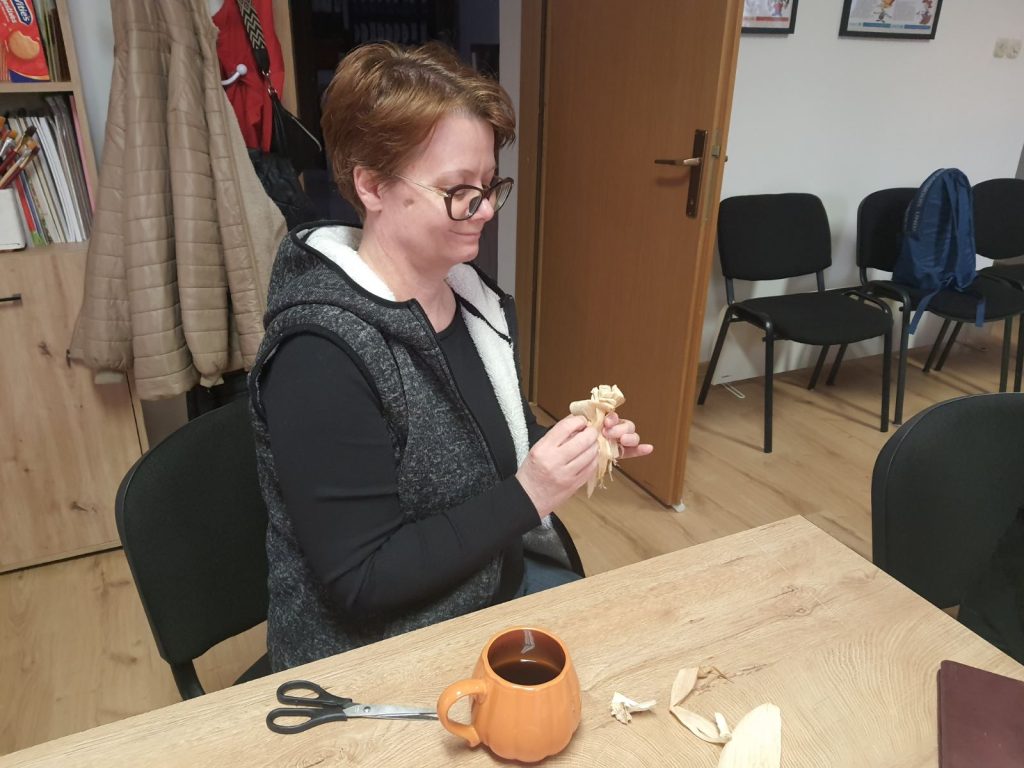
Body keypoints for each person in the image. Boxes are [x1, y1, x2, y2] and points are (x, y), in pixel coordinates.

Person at [248, 41, 653, 672]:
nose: (485, 209)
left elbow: (485, 443)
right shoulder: (319, 357)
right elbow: (362, 580)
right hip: (382, 649)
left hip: (489, 590)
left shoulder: (468, 300)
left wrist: (572, 445)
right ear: (371, 185)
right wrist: (530, 492)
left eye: (489, 185)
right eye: (459, 190)